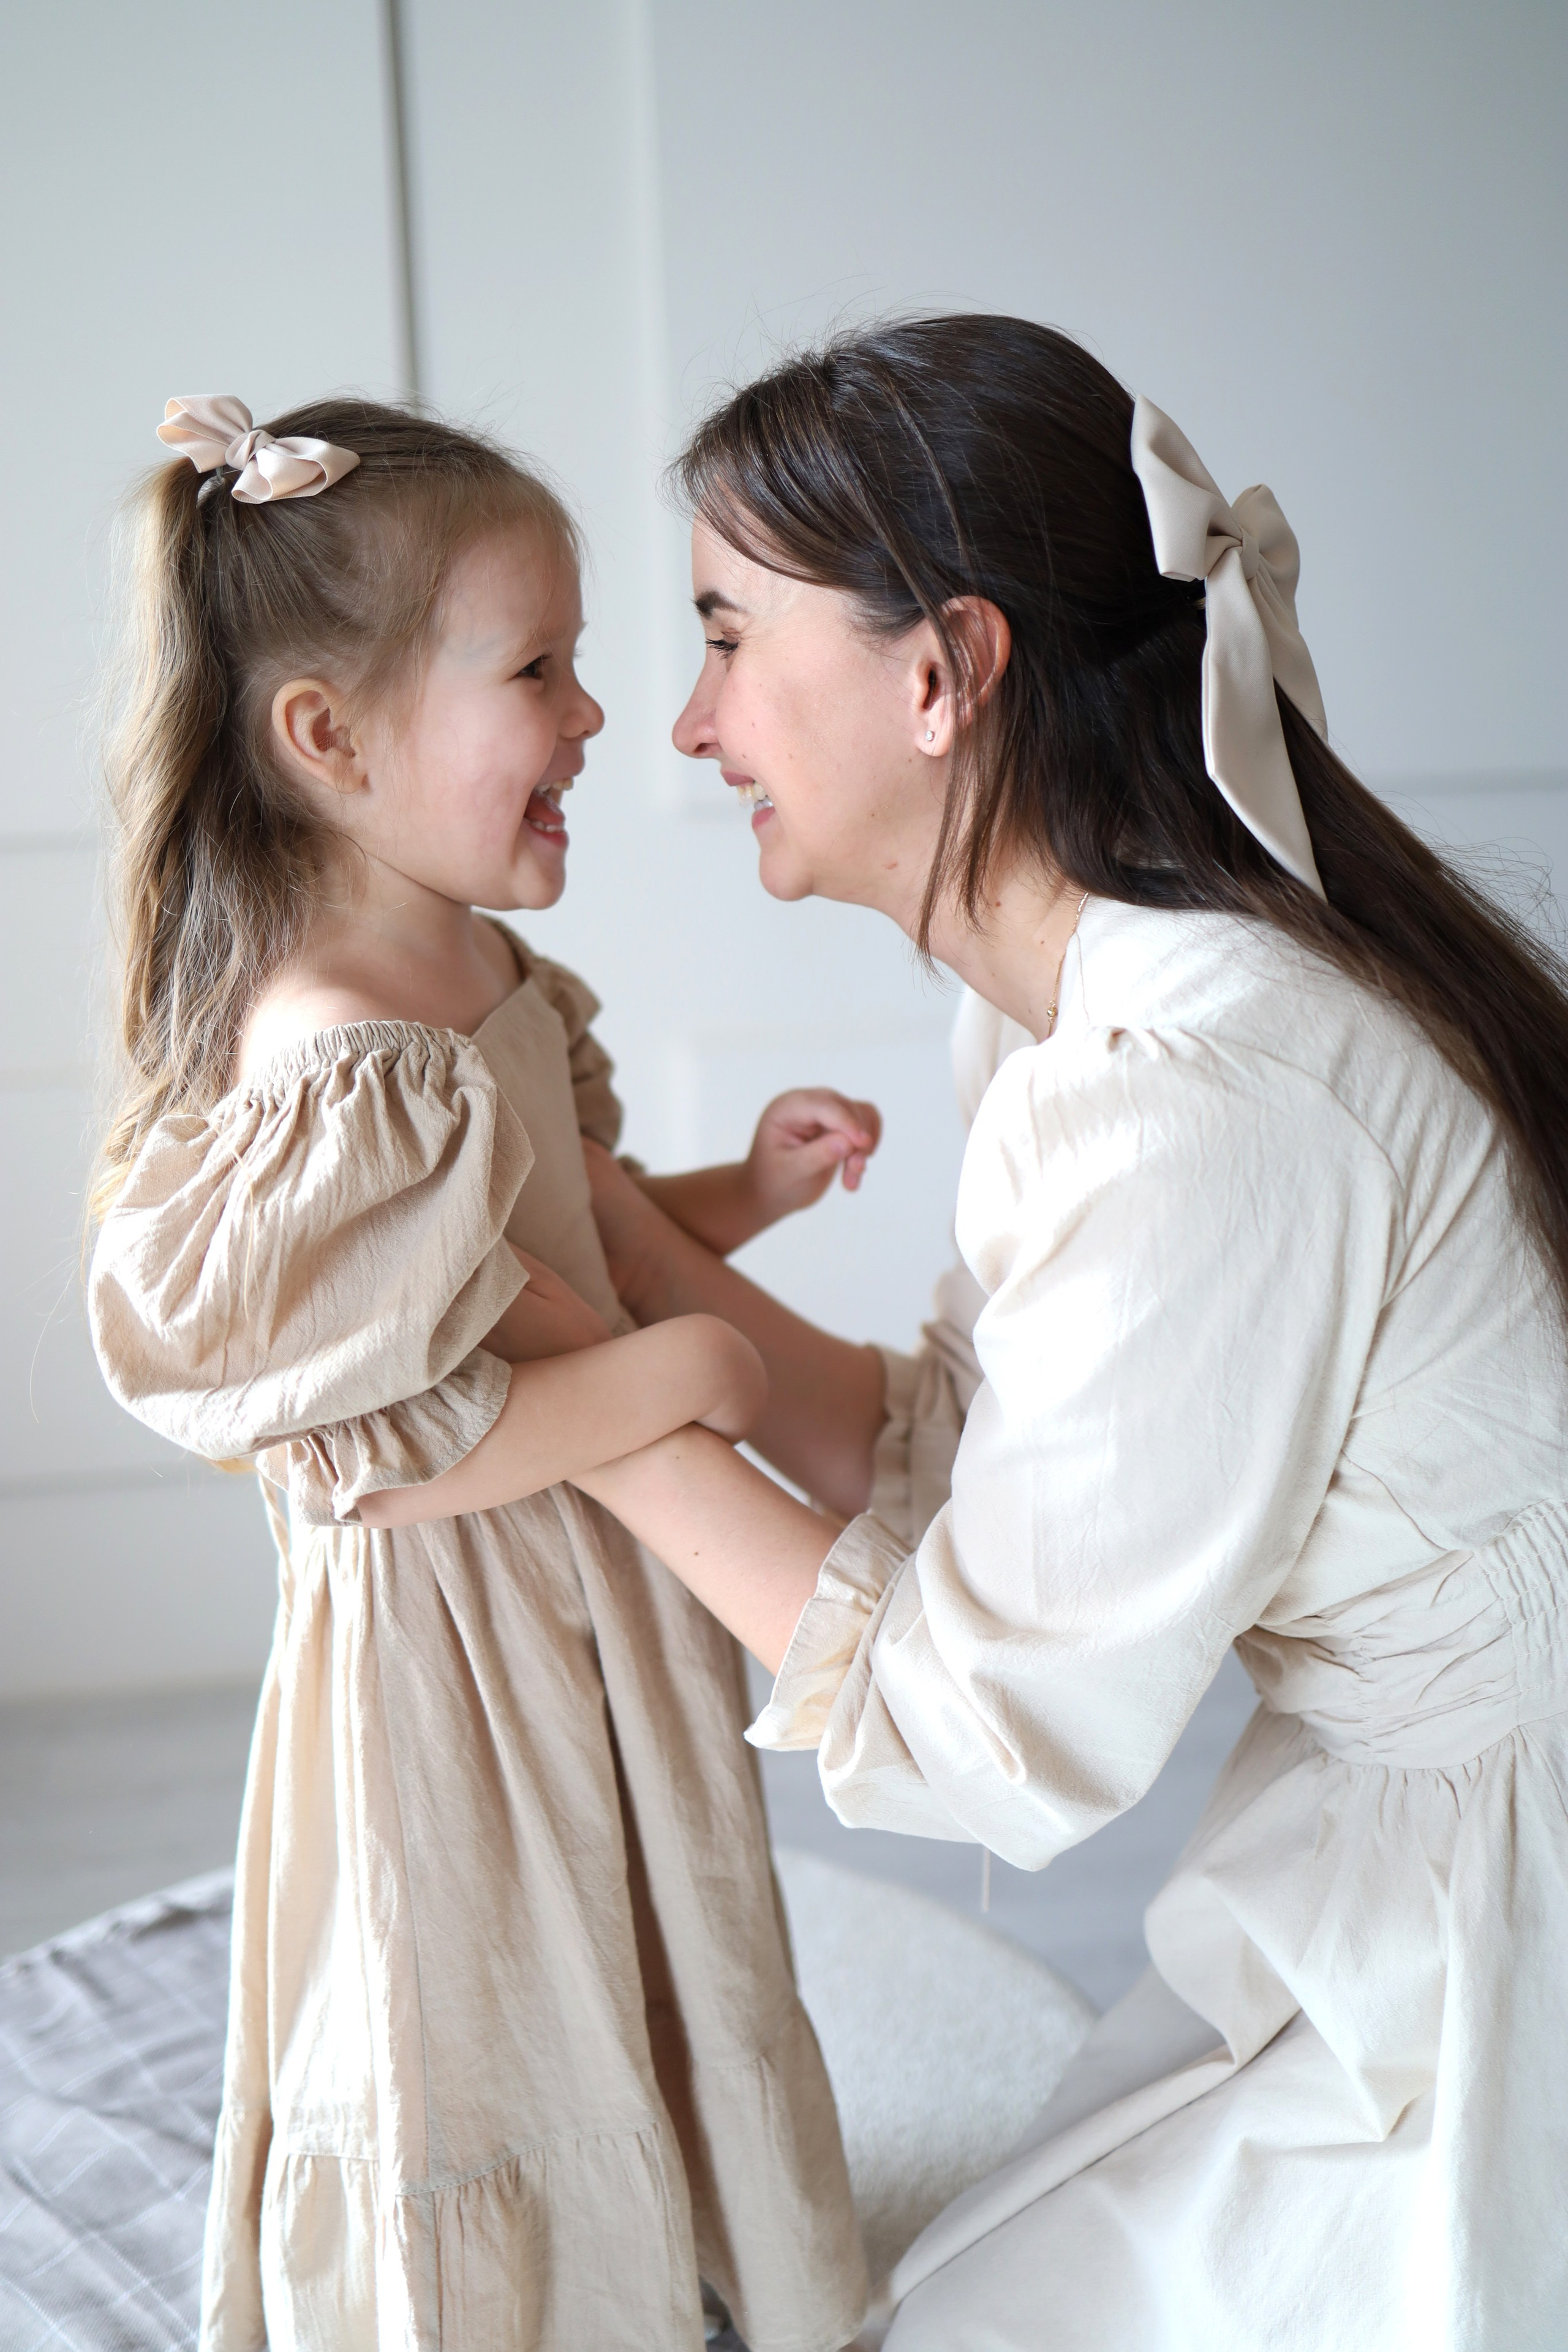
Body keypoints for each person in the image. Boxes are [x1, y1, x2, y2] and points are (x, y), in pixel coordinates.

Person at [560, 318, 1568, 2348]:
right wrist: (598, 1236)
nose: (686, 721)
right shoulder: (1093, 1004)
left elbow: (996, 1732)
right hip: (1404, 1819)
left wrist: (562, 1410)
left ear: (937, 674)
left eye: (729, 637)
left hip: (1506, 1891)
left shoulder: (1203, 1092)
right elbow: (963, 1442)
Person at [86, 394, 870, 2352]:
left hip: (589, 1587)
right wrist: (682, 1377)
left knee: (636, 1928)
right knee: (483, 1994)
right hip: (454, 1639)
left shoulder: (488, 983)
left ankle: (675, 2253)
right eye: (538, 670)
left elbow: (563, 1235)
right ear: (331, 741)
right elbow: (388, 1445)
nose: (599, 717)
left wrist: (739, 1202)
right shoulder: (334, 1056)